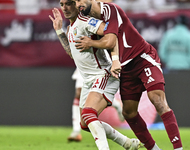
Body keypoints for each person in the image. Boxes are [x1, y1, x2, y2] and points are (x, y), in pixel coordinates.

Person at [73, 0, 183, 150]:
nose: (78, 4)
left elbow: (111, 40)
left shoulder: (109, 9)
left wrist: (92, 44)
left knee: (157, 99)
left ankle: (178, 148)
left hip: (142, 58)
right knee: (129, 112)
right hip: (125, 69)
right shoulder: (88, 20)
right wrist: (61, 31)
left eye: (80, 0)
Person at [49, 0, 141, 150]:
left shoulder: (86, 21)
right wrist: (59, 31)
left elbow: (112, 35)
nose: (65, 8)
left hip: (103, 74)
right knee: (85, 124)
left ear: (77, 5)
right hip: (88, 81)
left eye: (69, 3)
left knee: (88, 113)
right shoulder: (71, 27)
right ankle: (127, 143)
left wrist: (115, 59)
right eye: (62, 4)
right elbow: (73, 54)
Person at [68, 68, 124, 142]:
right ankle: (76, 130)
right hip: (83, 62)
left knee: (97, 93)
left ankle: (116, 104)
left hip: (96, 64)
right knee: (78, 93)